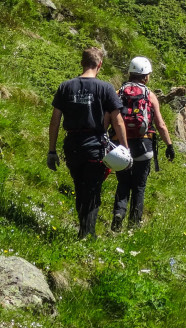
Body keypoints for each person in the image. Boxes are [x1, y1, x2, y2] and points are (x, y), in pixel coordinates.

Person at [48, 47, 128, 239]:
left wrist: (52, 150)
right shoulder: (105, 88)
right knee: (92, 190)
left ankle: (84, 231)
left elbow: (55, 120)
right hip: (95, 145)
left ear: (82, 63)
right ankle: (87, 234)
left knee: (80, 186)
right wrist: (125, 147)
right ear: (99, 64)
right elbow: (117, 120)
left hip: (72, 145)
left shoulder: (65, 87)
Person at [111, 56, 175, 231]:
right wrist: (169, 145)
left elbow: (110, 119)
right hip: (143, 145)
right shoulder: (149, 95)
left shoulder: (119, 92)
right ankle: (134, 225)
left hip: (121, 147)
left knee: (123, 182)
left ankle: (118, 214)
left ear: (130, 73)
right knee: (139, 186)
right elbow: (161, 124)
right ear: (145, 76)